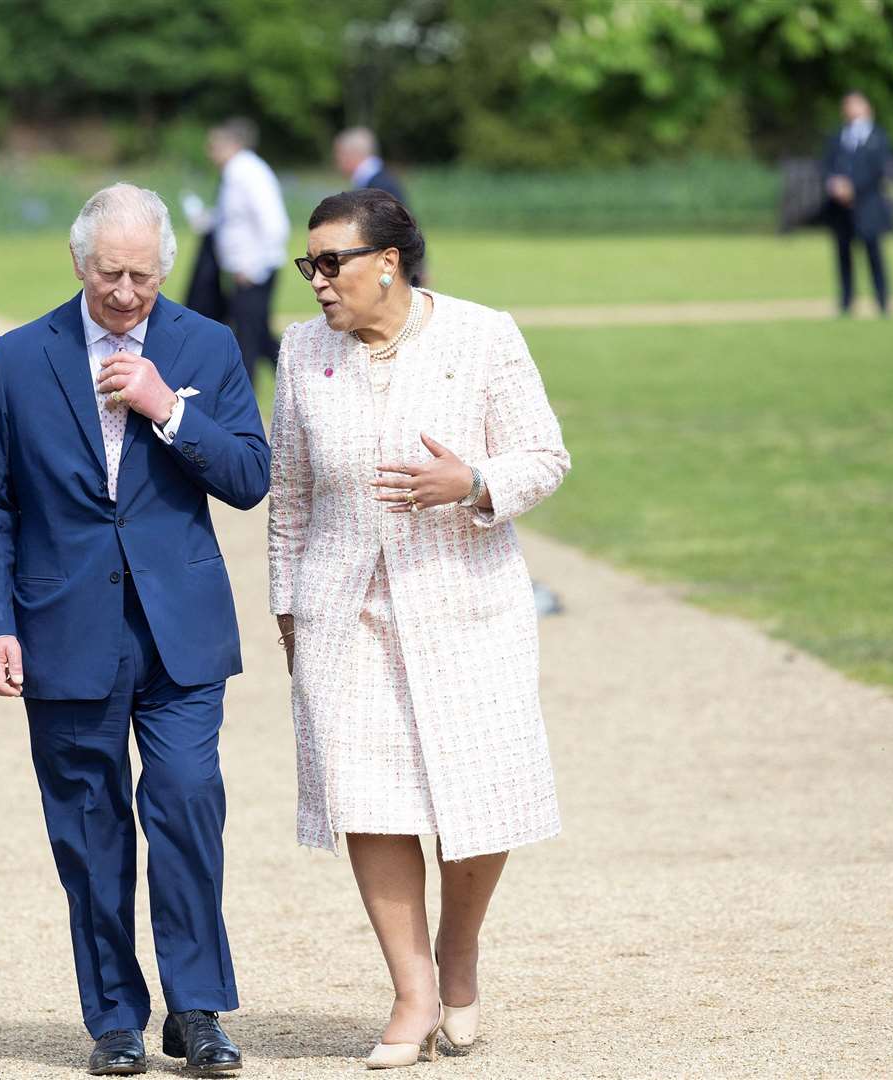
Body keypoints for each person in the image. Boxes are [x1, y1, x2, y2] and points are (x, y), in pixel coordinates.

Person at [0, 183, 268, 1077]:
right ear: (77, 262)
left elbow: (250, 475)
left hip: (182, 632)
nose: (126, 293)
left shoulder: (205, 344)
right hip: (63, 630)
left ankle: (200, 1009)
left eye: (141, 275)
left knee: (184, 805)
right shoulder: (19, 358)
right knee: (90, 829)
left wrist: (168, 408)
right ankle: (114, 1020)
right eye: (109, 275)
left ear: (165, 268)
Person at [268, 189, 570, 1068]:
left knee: (477, 791)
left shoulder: (483, 335)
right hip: (341, 612)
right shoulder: (301, 353)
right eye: (309, 265)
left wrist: (473, 482)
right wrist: (289, 610)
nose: (318, 282)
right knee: (369, 795)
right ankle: (412, 993)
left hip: (464, 603)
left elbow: (546, 455)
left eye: (333, 263)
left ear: (388, 263)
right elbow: (289, 497)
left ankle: (459, 952)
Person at [184, 118, 289, 384]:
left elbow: (274, 223)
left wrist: (254, 269)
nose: (210, 152)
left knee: (249, 338)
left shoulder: (248, 172)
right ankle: (294, 375)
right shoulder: (234, 173)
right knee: (255, 332)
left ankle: (248, 397)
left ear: (231, 144)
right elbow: (231, 220)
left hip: (254, 271)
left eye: (213, 145)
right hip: (240, 271)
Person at [821, 91, 893, 316]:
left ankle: (881, 300)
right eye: (848, 106)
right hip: (841, 209)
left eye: (856, 105)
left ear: (867, 108)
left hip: (868, 206)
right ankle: (846, 301)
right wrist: (835, 184)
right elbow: (826, 166)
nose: (851, 110)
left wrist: (853, 187)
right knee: (843, 255)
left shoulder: (878, 138)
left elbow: (878, 170)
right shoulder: (838, 137)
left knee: (873, 254)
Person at [333, 126, 409, 208]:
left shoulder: (378, 186)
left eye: (339, 154)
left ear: (352, 153)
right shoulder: (378, 179)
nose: (336, 159)